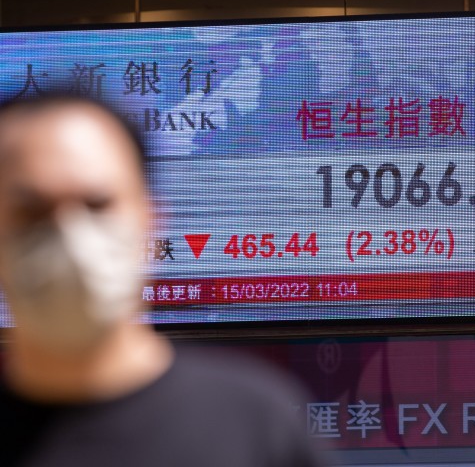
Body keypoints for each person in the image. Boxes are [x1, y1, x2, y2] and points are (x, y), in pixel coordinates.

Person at [0, 94, 320, 467]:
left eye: (98, 203)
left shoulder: (257, 423)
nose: (70, 235)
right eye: (31, 211)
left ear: (151, 218)